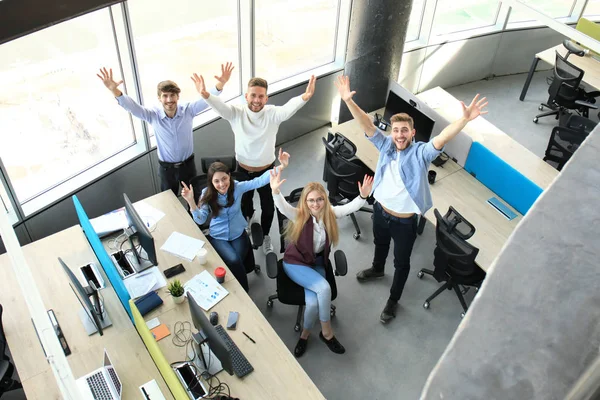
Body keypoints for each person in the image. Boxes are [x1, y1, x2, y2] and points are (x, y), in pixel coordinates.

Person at [334, 75, 488, 324]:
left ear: (413, 133)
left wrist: (464, 120)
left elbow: (442, 138)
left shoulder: (421, 153)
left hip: (404, 222)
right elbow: (367, 125)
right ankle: (377, 268)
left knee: (401, 262)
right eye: (395, 130)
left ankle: (393, 299)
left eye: (404, 130)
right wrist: (348, 102)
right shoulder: (386, 146)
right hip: (381, 212)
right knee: (380, 245)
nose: (399, 135)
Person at [191, 73, 316, 255]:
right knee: (244, 202)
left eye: (261, 96)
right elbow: (220, 107)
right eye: (253, 95)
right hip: (242, 170)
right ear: (246, 96)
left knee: (268, 205)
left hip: (267, 170)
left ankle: (265, 235)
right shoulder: (236, 113)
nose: (256, 100)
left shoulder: (272, 113)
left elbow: (289, 108)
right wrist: (205, 94)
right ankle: (249, 221)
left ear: (266, 97)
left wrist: (305, 97)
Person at [270, 168, 374, 357]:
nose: (315, 204)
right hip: (295, 263)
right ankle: (327, 333)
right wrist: (275, 191)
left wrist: (362, 196)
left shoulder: (330, 214)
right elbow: (282, 207)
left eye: (319, 199)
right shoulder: (299, 215)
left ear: (325, 200)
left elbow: (350, 207)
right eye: (311, 200)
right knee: (324, 289)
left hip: (317, 262)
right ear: (305, 202)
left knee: (312, 304)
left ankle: (304, 335)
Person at [97, 63, 235, 195]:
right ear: (159, 98)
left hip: (188, 165)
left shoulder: (188, 111)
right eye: (165, 96)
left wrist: (221, 84)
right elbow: (133, 108)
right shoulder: (153, 116)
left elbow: (206, 100)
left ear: (177, 97)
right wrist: (114, 90)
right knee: (169, 199)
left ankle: (194, 219)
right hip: (166, 169)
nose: (169, 99)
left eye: (172, 95)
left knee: (194, 196)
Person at [181, 149, 290, 292]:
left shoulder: (237, 187)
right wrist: (191, 203)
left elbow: (258, 181)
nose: (221, 184)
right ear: (211, 182)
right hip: (218, 236)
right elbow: (200, 220)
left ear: (229, 176)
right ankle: (244, 291)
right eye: (216, 181)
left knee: (234, 261)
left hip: (238, 233)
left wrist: (281, 166)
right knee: (233, 261)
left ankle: (235, 290)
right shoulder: (206, 194)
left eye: (224, 179)